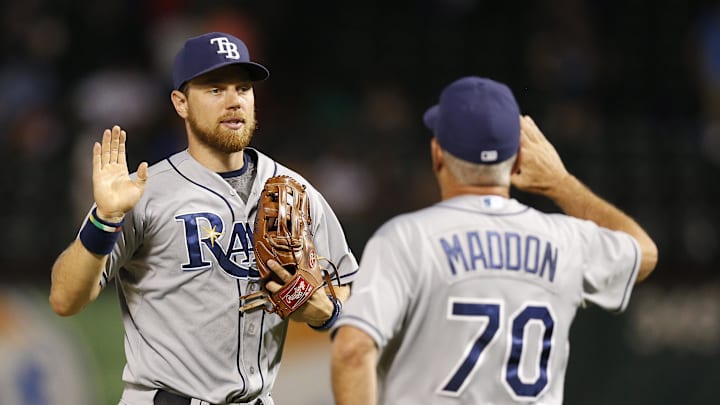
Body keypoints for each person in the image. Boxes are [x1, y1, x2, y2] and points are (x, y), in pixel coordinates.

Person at [49, 32, 359, 405]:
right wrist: (104, 219)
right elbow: (66, 299)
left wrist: (326, 312)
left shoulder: (295, 191)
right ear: (181, 103)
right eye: (215, 90)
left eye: (242, 88)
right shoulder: (141, 194)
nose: (233, 102)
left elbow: (349, 288)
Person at [330, 76, 658, 405]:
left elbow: (353, 351)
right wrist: (561, 182)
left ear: (437, 154)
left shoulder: (405, 238)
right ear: (517, 159)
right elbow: (644, 253)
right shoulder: (565, 240)